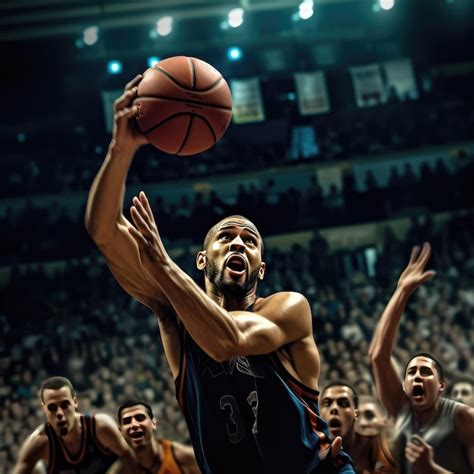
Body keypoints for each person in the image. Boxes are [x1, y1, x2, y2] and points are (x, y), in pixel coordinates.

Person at [85, 76, 353, 473]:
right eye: (225, 236)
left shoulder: (289, 308)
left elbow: (228, 340)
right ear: (201, 259)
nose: (238, 243)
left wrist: (161, 265)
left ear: (261, 267)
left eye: (250, 240)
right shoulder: (175, 311)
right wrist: (120, 150)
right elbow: (103, 229)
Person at [369, 243, 474, 473]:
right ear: (405, 386)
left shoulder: (465, 419)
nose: (417, 375)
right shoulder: (400, 409)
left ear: (441, 385)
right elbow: (378, 356)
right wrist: (402, 292)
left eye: (425, 371)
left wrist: (430, 468)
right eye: (411, 372)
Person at [13, 376, 137, 474]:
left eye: (64, 405)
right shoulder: (39, 443)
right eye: (52, 407)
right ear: (43, 409)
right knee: (36, 470)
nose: (59, 413)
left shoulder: (100, 427)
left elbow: (133, 460)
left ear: (75, 402)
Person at [320, 383, 397, 473]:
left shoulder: (374, 445)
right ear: (319, 412)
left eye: (343, 403)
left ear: (356, 414)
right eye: (327, 403)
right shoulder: (309, 448)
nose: (334, 408)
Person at [110, 398, 200, 474]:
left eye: (140, 418)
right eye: (127, 421)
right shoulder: (119, 471)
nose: (134, 424)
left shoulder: (184, 458)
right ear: (120, 431)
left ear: (153, 423)